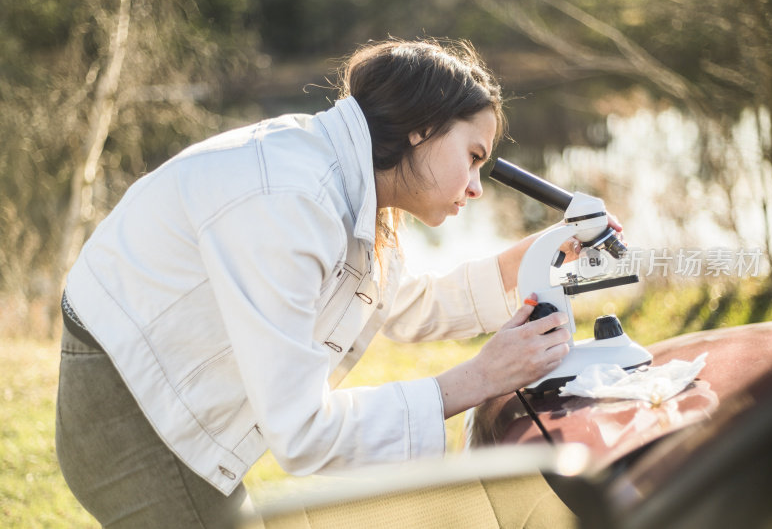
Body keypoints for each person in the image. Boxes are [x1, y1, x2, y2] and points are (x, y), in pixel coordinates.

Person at [56, 38, 619, 528]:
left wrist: (542, 252)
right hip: (130, 408)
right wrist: (476, 379)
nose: (476, 187)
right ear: (422, 126)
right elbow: (301, 433)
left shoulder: (352, 181)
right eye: (472, 158)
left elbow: (405, 304)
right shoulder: (292, 202)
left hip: (157, 389)